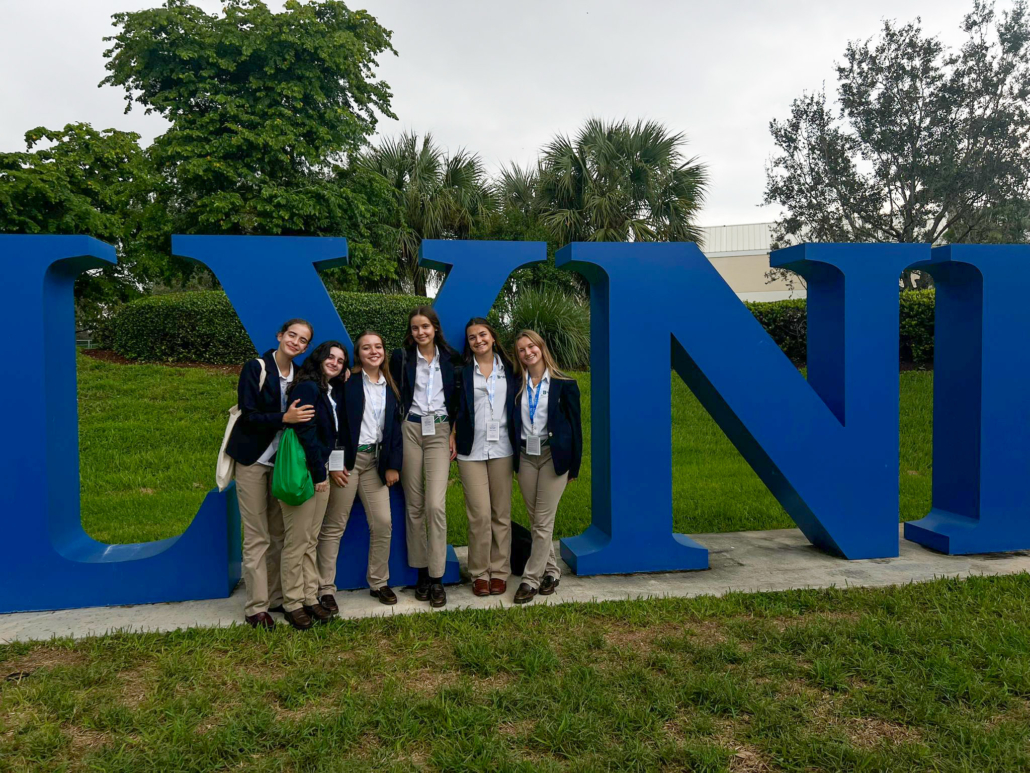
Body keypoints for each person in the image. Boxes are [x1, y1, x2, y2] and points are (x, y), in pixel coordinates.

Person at [225, 319, 315, 629]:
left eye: (303, 340)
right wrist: (283, 417)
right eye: (292, 335)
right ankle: (256, 608)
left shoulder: (301, 374)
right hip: (252, 460)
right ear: (280, 336)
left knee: (279, 534)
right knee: (257, 536)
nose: (296, 342)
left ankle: (276, 598)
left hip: (283, 465)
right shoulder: (257, 367)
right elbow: (248, 415)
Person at [317, 330, 403, 606]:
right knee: (334, 525)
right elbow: (331, 424)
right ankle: (325, 588)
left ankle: (379, 582)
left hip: (376, 464)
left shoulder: (391, 385)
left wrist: (392, 465)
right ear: (359, 354)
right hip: (347, 463)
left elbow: (394, 430)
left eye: (378, 346)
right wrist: (333, 464)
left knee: (383, 523)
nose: (373, 351)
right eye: (367, 348)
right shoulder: (348, 382)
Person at [390, 307, 461, 608]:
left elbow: (460, 399)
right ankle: (421, 573)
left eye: (425, 327)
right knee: (414, 505)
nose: (420, 332)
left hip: (440, 431)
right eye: (415, 328)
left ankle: (437, 576)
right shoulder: (402, 358)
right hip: (410, 428)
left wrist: (454, 433)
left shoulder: (452, 359)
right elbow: (388, 388)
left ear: (435, 328)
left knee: (435, 505)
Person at [277, 341, 349, 630]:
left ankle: (309, 596)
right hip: (305, 474)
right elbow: (305, 431)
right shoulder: (306, 387)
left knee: (310, 540)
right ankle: (292, 602)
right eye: (330, 357)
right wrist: (320, 473)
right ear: (318, 358)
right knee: (296, 542)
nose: (334, 362)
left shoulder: (325, 389)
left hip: (318, 472)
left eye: (341, 360)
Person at [510, 330, 582, 605]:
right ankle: (552, 571)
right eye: (521, 350)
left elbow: (576, 429)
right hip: (526, 457)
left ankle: (530, 580)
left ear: (541, 347)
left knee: (542, 520)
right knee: (537, 521)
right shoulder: (517, 383)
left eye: (532, 346)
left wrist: (573, 466)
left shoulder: (565, 384)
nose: (528, 352)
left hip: (554, 457)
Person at [453, 318, 518, 597]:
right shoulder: (462, 372)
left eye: (482, 335)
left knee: (500, 515)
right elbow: (454, 407)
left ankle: (500, 571)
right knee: (479, 515)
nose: (478, 340)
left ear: (493, 337)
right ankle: (479, 572)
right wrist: (451, 435)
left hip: (503, 448)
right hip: (471, 451)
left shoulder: (513, 370)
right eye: (472, 338)